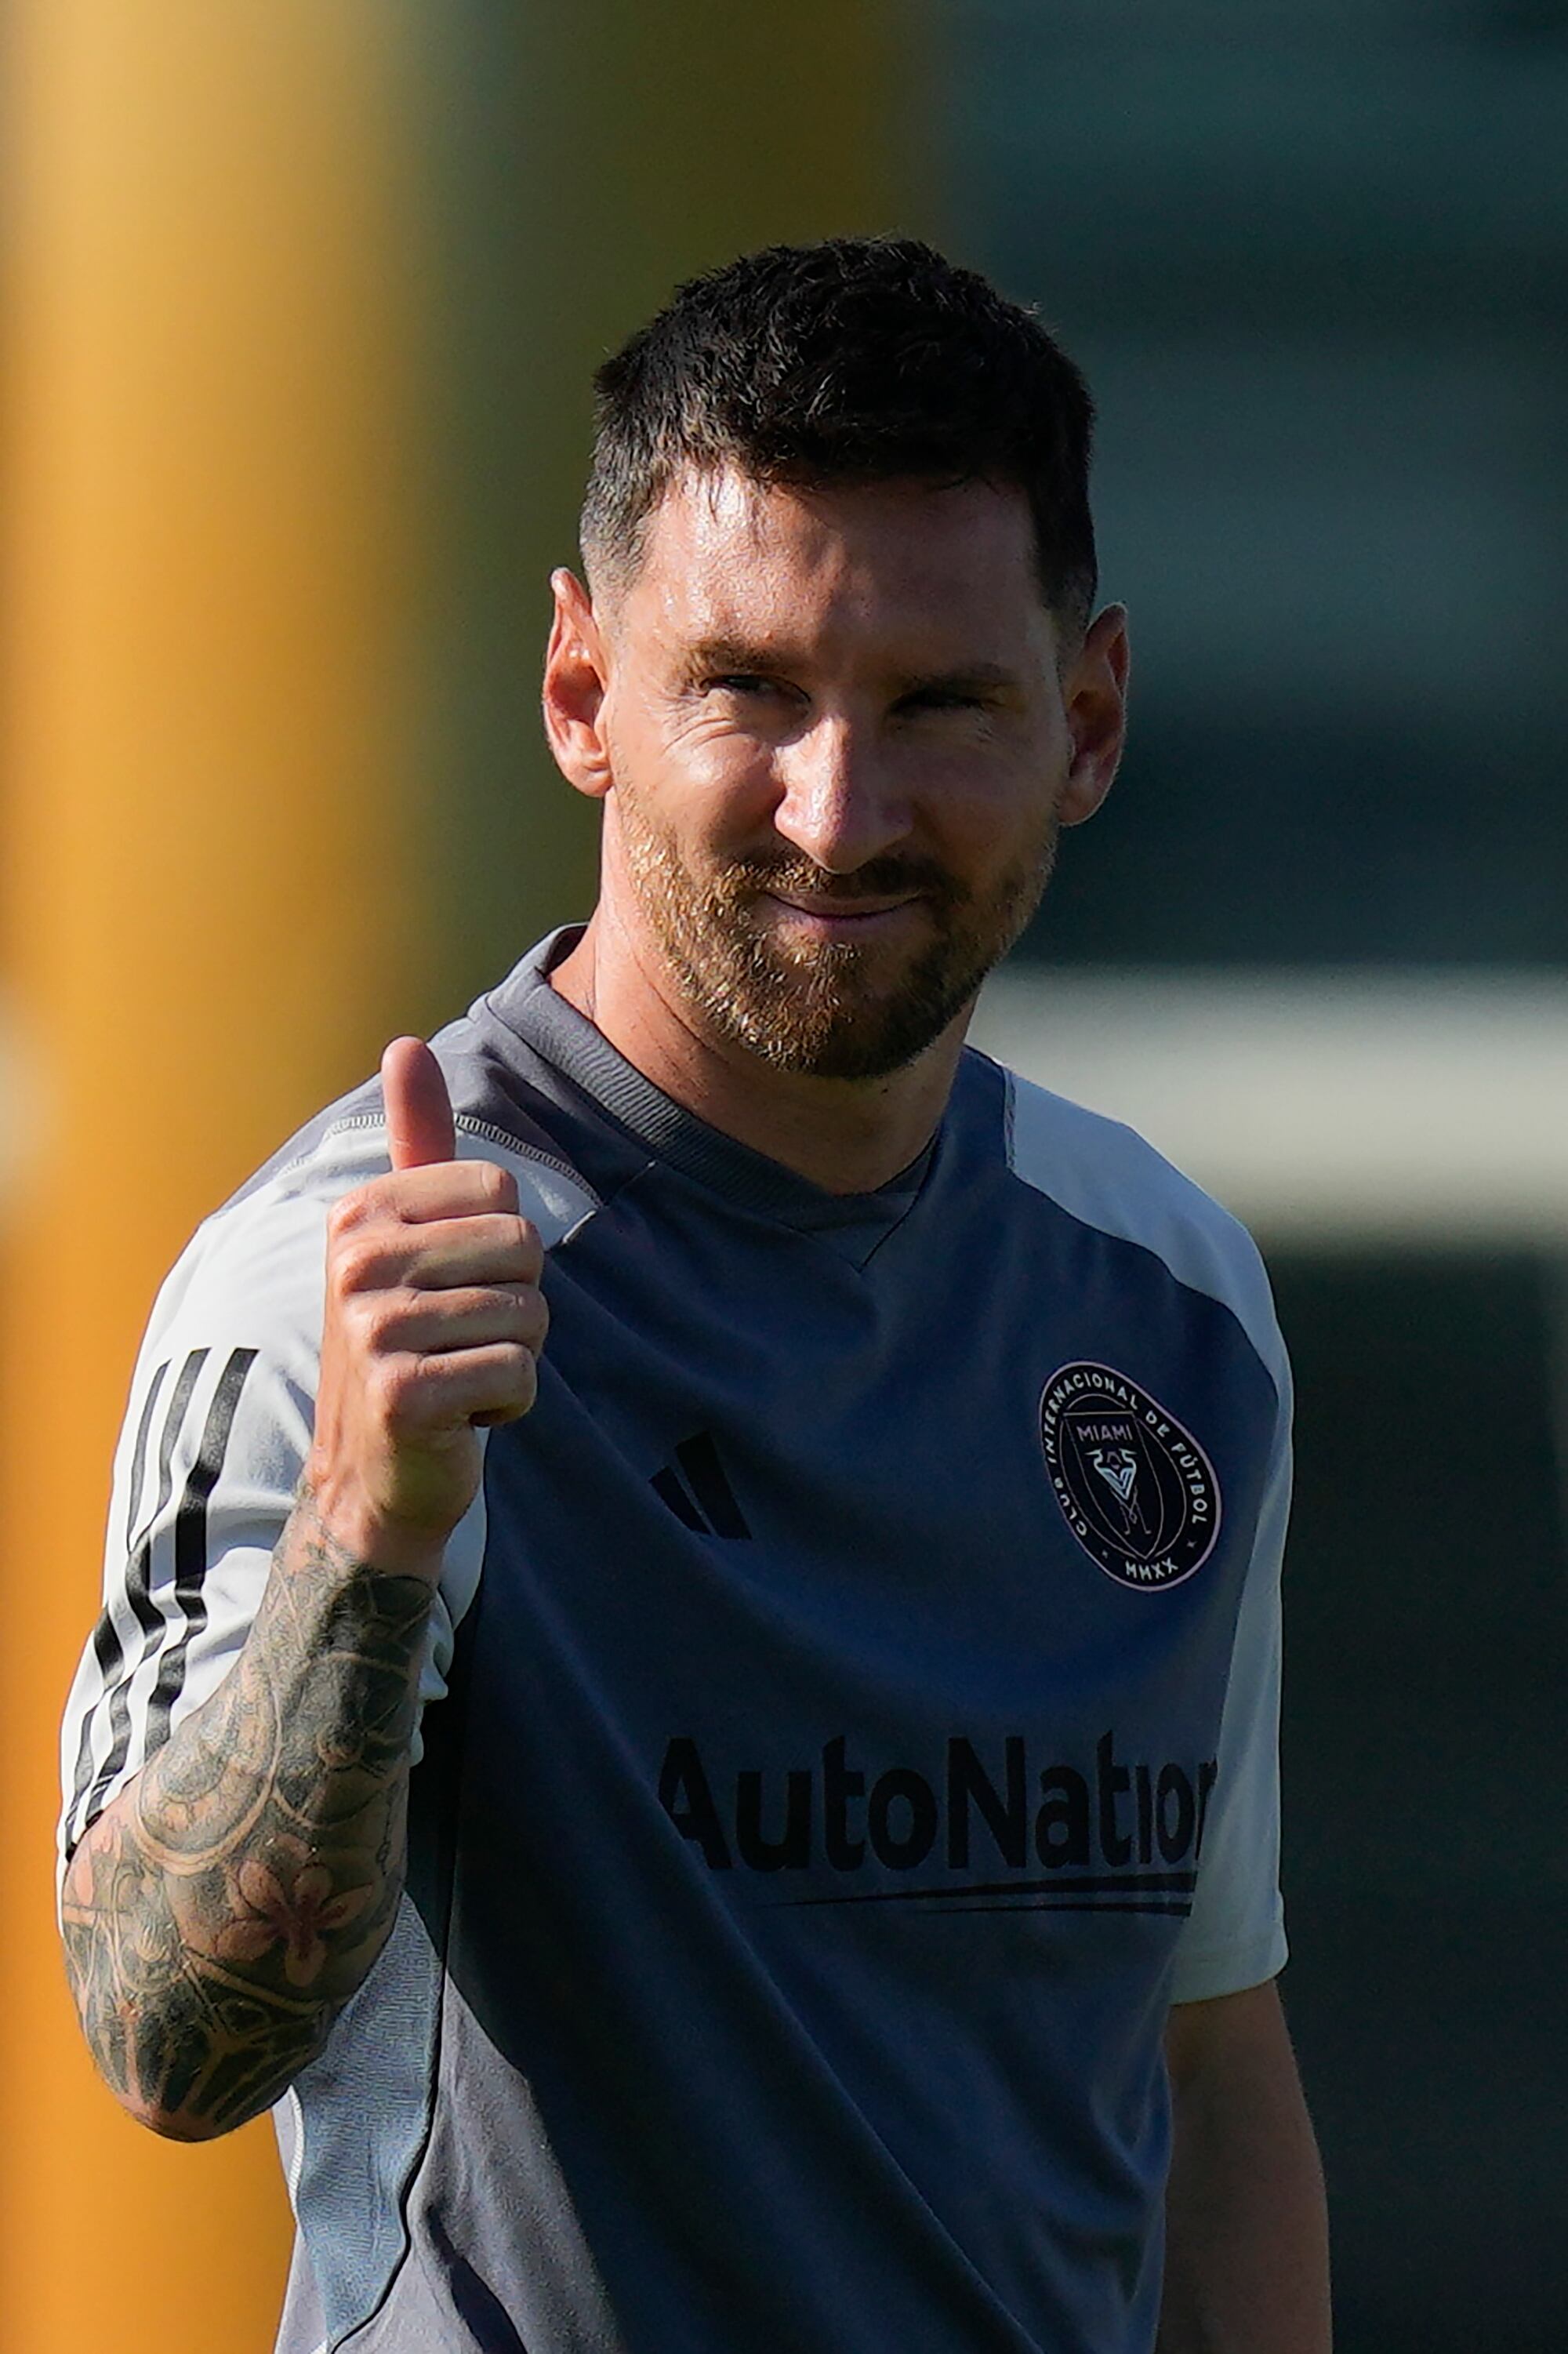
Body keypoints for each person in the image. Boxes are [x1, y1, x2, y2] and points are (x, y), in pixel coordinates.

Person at [58, 237, 1330, 2353]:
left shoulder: (1168, 1298)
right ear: (585, 697)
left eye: (938, 703)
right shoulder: (348, 1278)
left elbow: (1207, 2073)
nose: (838, 811)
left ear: (1086, 720)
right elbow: (163, 2047)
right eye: (747, 690)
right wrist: (373, 1536)